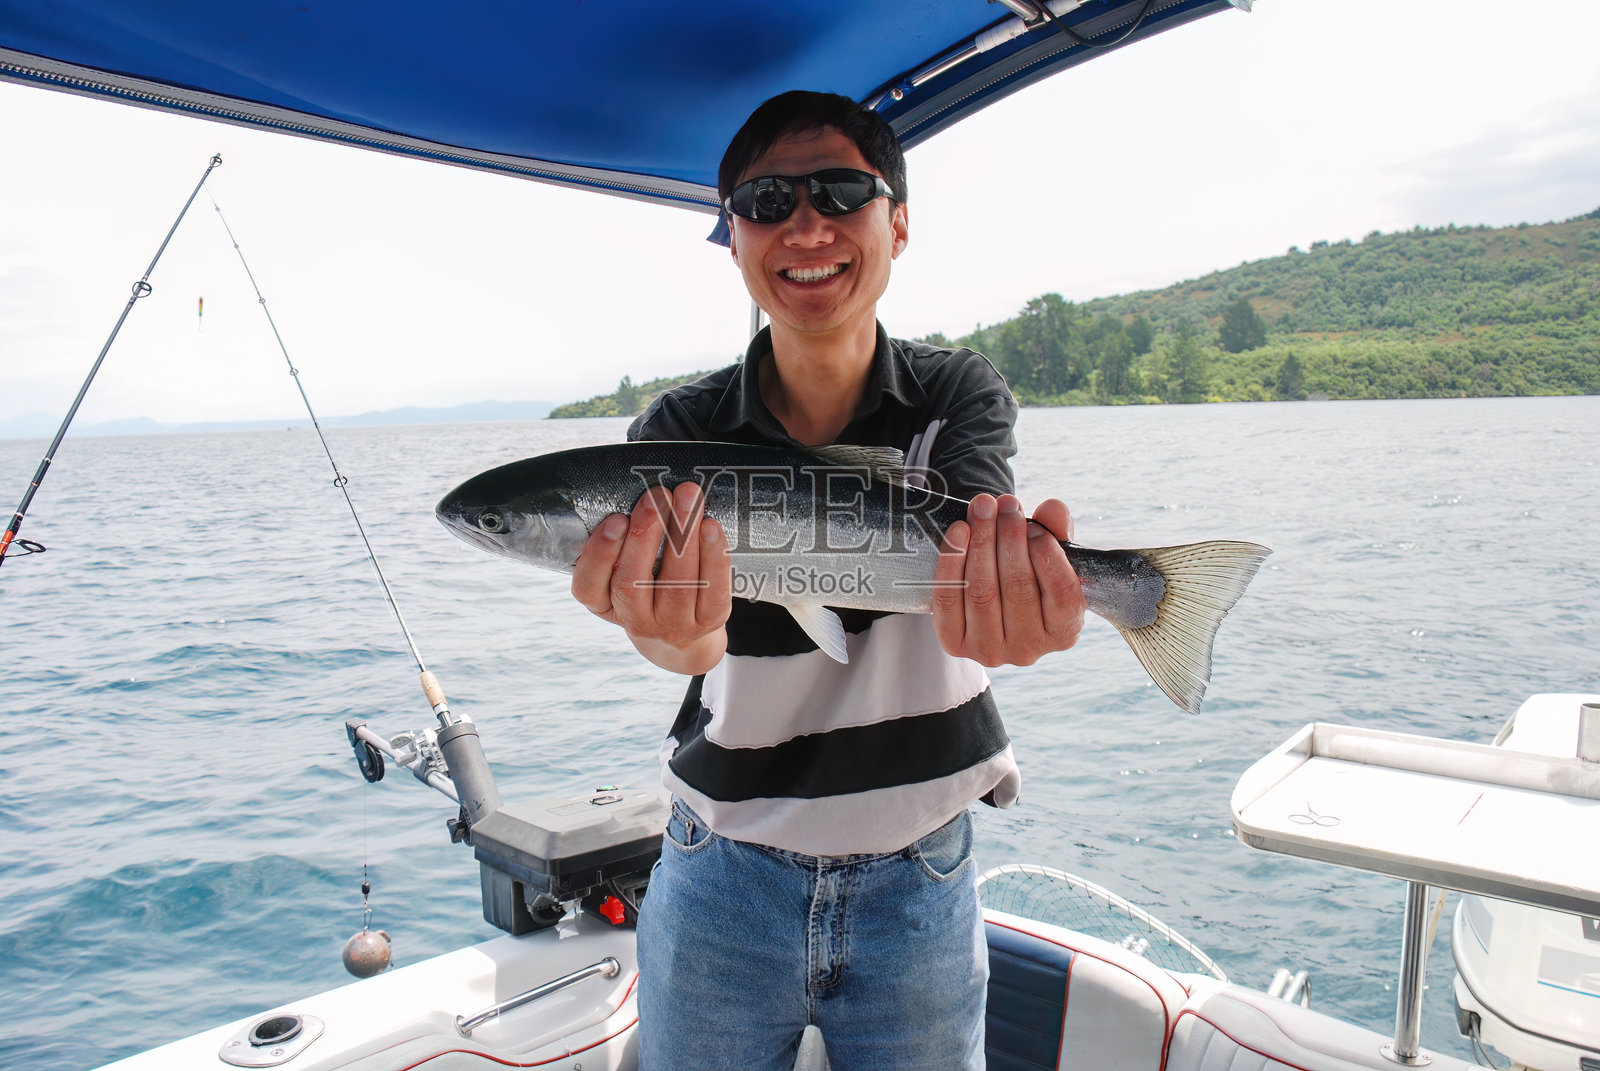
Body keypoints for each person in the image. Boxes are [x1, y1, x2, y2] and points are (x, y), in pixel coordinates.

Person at [570, 90, 1086, 1071]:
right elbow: (687, 647)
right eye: (764, 201)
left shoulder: (954, 397)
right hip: (719, 875)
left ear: (897, 222)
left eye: (841, 191)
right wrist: (661, 632)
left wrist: (1020, 615)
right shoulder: (680, 431)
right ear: (730, 239)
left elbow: (974, 589)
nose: (804, 223)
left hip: (920, 879)